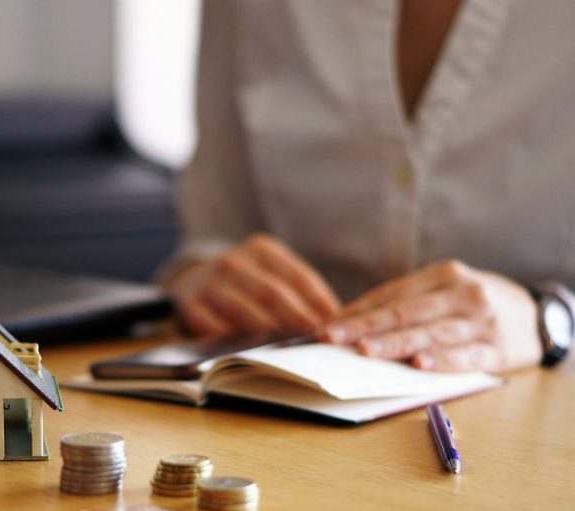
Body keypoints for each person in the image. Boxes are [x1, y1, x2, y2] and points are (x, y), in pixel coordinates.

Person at [164, 0, 575, 372]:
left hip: (537, 409)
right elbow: (215, 237)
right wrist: (202, 279)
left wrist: (546, 318)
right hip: (282, 398)